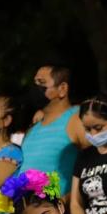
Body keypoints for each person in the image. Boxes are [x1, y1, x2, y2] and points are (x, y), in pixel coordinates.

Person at [21, 63, 88, 197]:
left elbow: (95, 164)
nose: (35, 88)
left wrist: (68, 201)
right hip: (27, 212)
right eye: (34, 83)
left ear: (62, 89)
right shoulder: (33, 128)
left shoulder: (76, 118)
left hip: (59, 211)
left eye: (41, 82)